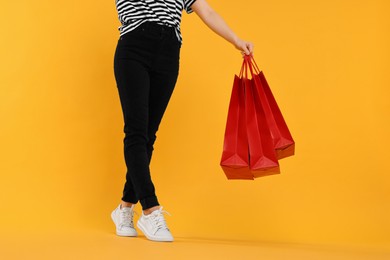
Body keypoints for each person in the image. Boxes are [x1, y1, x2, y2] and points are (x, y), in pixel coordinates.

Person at [111, 0, 254, 242]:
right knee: (136, 132)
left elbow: (206, 10)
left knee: (148, 135)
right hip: (134, 47)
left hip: (168, 53)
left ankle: (125, 207)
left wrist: (236, 40)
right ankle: (150, 208)